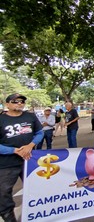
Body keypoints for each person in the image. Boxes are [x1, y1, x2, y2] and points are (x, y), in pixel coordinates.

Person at [0, 93, 43, 222]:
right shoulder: (1, 119)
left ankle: (38, 214)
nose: (19, 103)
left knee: (37, 188)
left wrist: (31, 145)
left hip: (30, 160)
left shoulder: (30, 116)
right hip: (7, 164)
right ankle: (8, 217)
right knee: (4, 192)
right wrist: (14, 150)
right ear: (7, 104)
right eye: (15, 102)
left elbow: (39, 132)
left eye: (22, 102)